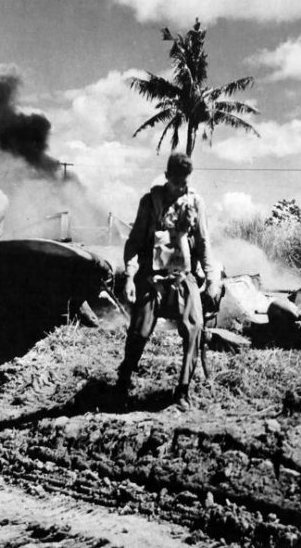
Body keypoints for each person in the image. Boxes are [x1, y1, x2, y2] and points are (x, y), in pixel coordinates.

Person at [117, 152, 221, 410]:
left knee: (195, 327)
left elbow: (205, 242)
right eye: (176, 182)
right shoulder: (150, 202)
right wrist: (130, 276)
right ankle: (123, 379)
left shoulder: (196, 202)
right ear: (166, 177)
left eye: (185, 182)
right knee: (139, 331)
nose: (181, 187)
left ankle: (183, 391)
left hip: (183, 277)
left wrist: (211, 278)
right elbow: (134, 242)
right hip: (152, 278)